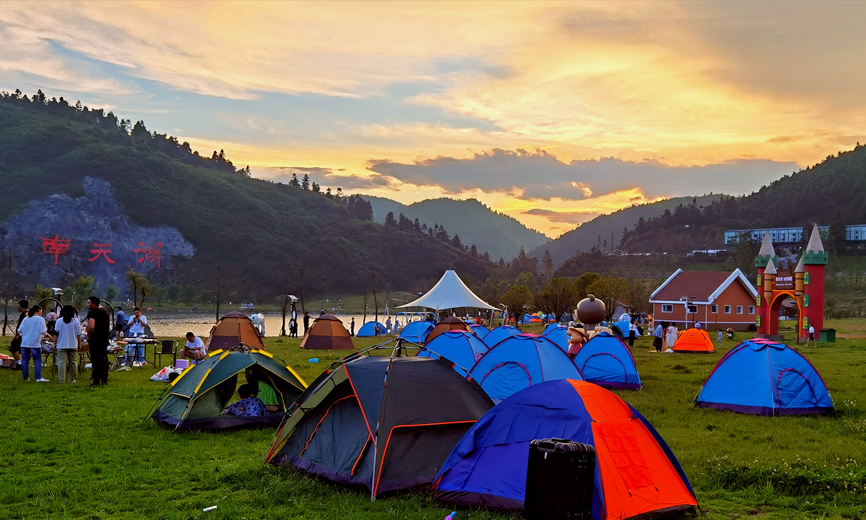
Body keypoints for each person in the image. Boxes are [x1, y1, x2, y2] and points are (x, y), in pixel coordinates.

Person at [19, 304, 49, 382]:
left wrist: (25, 335)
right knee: (37, 360)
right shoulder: (40, 319)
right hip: (34, 343)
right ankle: (38, 378)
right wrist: (44, 335)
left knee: (25, 360)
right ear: (38, 310)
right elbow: (43, 331)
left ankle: (25, 377)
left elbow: (19, 330)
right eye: (41, 310)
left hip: (24, 343)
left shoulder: (26, 319)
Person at [86, 296, 110, 387]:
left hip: (95, 339)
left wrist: (89, 336)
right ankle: (104, 379)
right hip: (104, 339)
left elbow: (91, 326)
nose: (87, 304)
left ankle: (96, 380)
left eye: (89, 302)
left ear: (94, 304)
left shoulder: (93, 313)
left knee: (95, 360)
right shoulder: (105, 312)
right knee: (103, 358)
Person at [54, 305, 81, 384]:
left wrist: (54, 344)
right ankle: (73, 379)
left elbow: (56, 334)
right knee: (73, 363)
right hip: (73, 345)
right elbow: (78, 335)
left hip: (61, 345)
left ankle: (61, 380)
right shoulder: (76, 321)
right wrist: (79, 344)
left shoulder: (59, 321)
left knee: (62, 363)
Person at [9, 300, 28, 370]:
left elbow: (21, 326)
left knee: (13, 347)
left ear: (21, 306)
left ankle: (19, 363)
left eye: (18, 305)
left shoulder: (24, 315)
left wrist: (17, 334)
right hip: (25, 335)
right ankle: (21, 363)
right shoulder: (27, 314)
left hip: (21, 335)